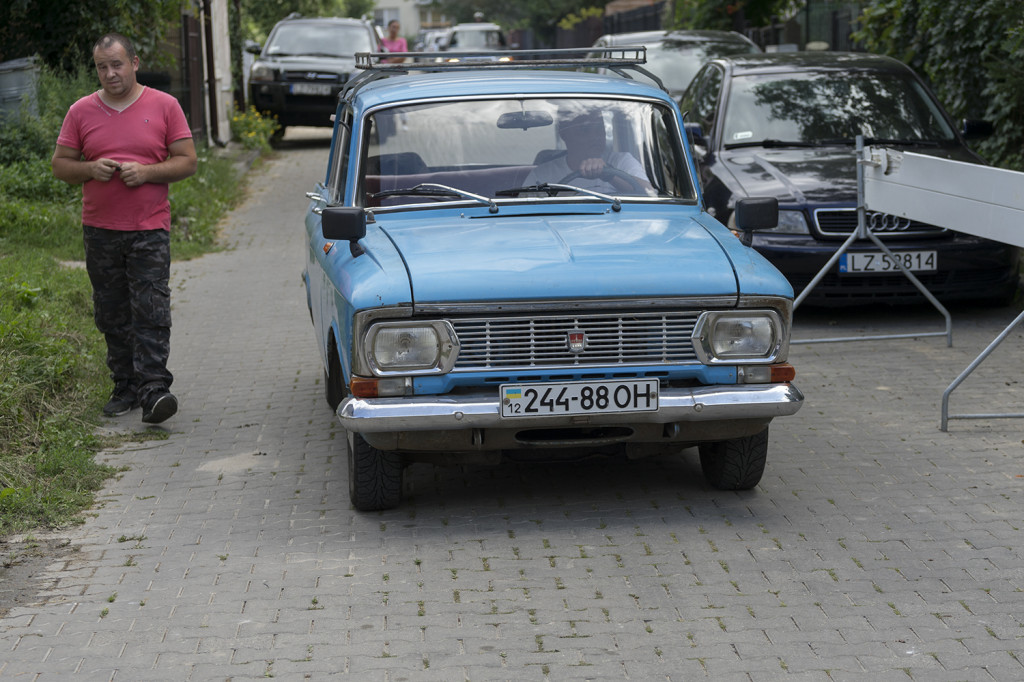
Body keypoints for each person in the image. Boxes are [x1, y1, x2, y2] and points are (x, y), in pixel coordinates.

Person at [51, 33, 197, 424]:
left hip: (149, 228)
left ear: (134, 62)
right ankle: (125, 386)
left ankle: (154, 391)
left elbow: (187, 161)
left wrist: (147, 172)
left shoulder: (164, 106)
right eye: (102, 66)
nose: (110, 73)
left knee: (150, 308)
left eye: (116, 64)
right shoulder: (81, 111)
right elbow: (61, 165)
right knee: (111, 312)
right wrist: (89, 169)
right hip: (99, 230)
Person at [524, 106, 653, 196]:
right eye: (584, 130)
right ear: (564, 134)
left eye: (599, 128)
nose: (595, 136)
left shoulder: (622, 161)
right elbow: (526, 212)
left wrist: (610, 174)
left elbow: (650, 194)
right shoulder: (542, 175)